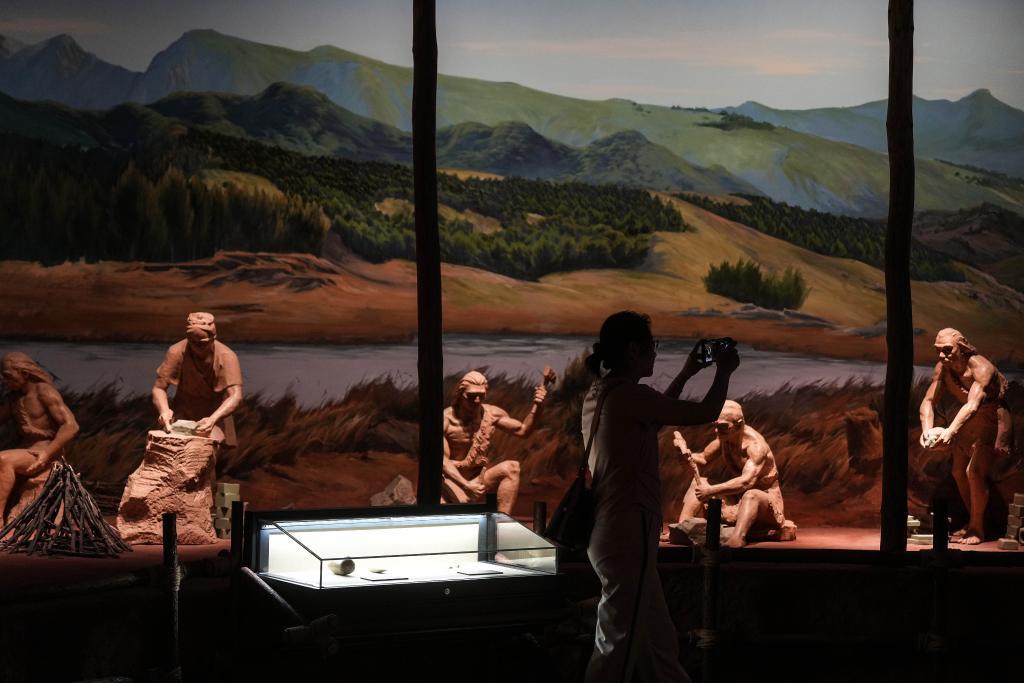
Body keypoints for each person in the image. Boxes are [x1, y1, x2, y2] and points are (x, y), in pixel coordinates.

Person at [582, 311, 739, 683]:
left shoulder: (603, 393)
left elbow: (655, 417)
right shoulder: (628, 395)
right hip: (627, 532)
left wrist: (686, 373)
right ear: (633, 350)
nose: (655, 353)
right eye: (651, 346)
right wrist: (724, 371)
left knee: (657, 642)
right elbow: (705, 412)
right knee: (617, 646)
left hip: (611, 530)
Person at [919, 327, 1012, 545]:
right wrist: (927, 430)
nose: (942, 355)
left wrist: (951, 431)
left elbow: (972, 405)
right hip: (968, 420)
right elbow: (928, 401)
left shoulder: (982, 368)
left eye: (947, 350)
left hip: (992, 418)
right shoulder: (943, 369)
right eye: (938, 350)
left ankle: (977, 528)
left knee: (974, 472)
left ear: (961, 348)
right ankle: (974, 520)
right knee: (958, 471)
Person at [674, 400, 786, 548]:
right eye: (715, 426)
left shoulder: (756, 447)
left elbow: (746, 482)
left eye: (722, 427)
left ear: (739, 424)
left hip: (764, 500)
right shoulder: (725, 437)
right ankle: (682, 528)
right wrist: (688, 457)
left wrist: (710, 491)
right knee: (699, 482)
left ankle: (738, 537)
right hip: (738, 495)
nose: (716, 431)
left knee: (751, 495)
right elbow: (703, 458)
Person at [441, 370, 547, 514]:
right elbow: (441, 461)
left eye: (481, 395)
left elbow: (523, 430)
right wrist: (466, 486)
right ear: (460, 394)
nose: (477, 400)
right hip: (451, 483)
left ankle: (503, 521)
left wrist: (538, 407)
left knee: (511, 468)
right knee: (448, 514)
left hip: (478, 481)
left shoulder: (491, 414)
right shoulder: (446, 420)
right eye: (471, 396)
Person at [0, 352, 79, 523]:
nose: (5, 381)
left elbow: (71, 426)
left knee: (3, 459)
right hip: (26, 450)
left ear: (24, 373)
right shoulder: (13, 398)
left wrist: (47, 453)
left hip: (43, 452)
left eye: (8, 376)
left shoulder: (44, 392)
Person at [153, 312, 243, 446]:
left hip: (216, 413)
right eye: (193, 343)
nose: (198, 348)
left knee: (206, 448)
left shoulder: (226, 356)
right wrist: (164, 411)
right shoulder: (176, 351)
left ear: (213, 338)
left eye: (202, 343)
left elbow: (235, 395)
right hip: (183, 412)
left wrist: (212, 419)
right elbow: (159, 388)